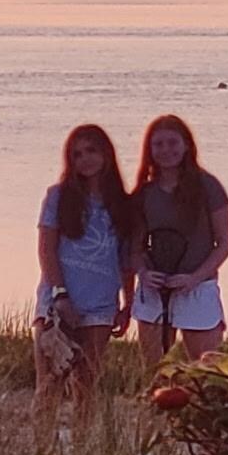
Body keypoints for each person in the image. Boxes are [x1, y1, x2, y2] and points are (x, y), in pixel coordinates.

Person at [33, 124, 134, 424]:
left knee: (85, 384)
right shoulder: (57, 196)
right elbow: (47, 250)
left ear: (106, 153)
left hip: (101, 306)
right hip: (57, 303)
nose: (85, 159)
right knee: (49, 383)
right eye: (77, 154)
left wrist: (128, 304)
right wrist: (60, 295)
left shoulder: (122, 204)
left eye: (91, 150)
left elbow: (126, 260)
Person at [128, 114, 228, 366]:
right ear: (149, 150)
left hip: (198, 288)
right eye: (159, 144)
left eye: (173, 143)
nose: (166, 150)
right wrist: (143, 272)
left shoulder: (209, 187)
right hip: (155, 291)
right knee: (156, 373)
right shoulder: (144, 193)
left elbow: (225, 243)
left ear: (186, 145)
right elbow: (134, 247)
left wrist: (195, 278)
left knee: (208, 371)